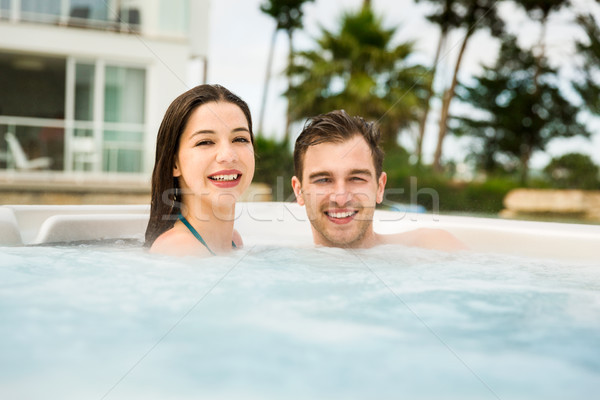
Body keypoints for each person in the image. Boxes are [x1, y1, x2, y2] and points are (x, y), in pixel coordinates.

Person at [291, 110, 466, 251]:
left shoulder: (433, 248)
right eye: (323, 179)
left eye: (356, 178)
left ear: (380, 188)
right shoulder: (278, 265)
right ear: (298, 190)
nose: (341, 197)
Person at [145, 84, 255, 256]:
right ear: (175, 164)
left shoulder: (234, 241)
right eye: (205, 142)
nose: (228, 155)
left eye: (240, 139)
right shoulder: (178, 249)